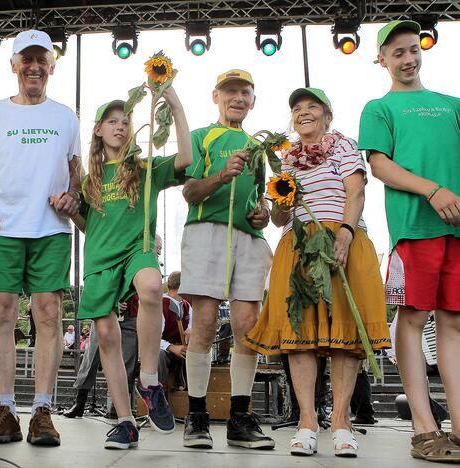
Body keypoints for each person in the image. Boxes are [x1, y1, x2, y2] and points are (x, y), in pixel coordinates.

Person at [244, 87, 391, 457]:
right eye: (297, 108)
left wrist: (345, 232)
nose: (303, 112)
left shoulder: (342, 146)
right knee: (300, 332)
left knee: (345, 331)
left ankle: (341, 423)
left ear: (328, 117)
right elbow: (280, 215)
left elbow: (355, 192)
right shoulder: (286, 159)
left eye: (313, 107)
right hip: (297, 245)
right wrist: (273, 207)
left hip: (342, 239)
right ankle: (307, 422)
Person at [0, 29, 82, 447]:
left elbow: (74, 169)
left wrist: (73, 195)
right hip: (2, 229)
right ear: (13, 65)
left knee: (49, 315)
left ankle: (44, 411)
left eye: (41, 60)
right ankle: (5, 410)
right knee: (0, 314)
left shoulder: (66, 116)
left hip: (50, 228)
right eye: (26, 59)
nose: (34, 67)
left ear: (52, 65)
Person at [359, 20, 460, 461]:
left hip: (456, 228)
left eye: (413, 50)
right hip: (413, 229)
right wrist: (432, 189)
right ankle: (423, 428)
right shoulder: (379, 108)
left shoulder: (451, 104)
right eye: (397, 52)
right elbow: (380, 166)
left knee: (454, 324)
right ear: (382, 60)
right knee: (414, 318)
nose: (408, 58)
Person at [71, 89, 191, 450]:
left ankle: (150, 379)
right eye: (112, 121)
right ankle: (125, 421)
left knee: (153, 287)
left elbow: (186, 158)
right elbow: (87, 223)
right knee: (107, 337)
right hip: (99, 259)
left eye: (125, 122)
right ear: (97, 130)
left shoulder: (144, 167)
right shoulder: (86, 177)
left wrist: (175, 103)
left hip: (136, 250)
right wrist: (68, 209)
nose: (120, 127)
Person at [179, 70, 273, 450]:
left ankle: (239, 417)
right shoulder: (202, 137)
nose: (238, 98)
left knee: (247, 326)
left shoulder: (259, 147)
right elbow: (189, 192)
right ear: (215, 96)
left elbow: (261, 199)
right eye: (231, 91)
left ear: (253, 101)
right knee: (203, 322)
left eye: (245, 93)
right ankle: (197, 416)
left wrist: (262, 214)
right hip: (207, 232)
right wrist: (221, 175)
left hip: (249, 238)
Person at [158, 272, 192, 388]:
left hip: (183, 350)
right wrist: (171, 347)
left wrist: (192, 330)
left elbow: (192, 327)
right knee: (159, 355)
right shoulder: (160, 304)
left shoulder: (187, 305)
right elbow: (152, 339)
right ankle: (158, 393)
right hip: (164, 350)